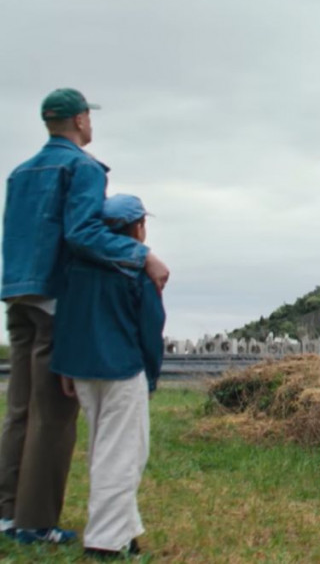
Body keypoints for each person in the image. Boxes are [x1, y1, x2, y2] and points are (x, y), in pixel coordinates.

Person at [0, 88, 170, 546]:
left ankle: (7, 510)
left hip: (17, 295)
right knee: (53, 416)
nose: (90, 125)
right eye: (88, 119)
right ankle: (34, 522)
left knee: (19, 408)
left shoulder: (19, 172)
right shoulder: (84, 168)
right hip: (58, 296)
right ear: (79, 121)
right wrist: (140, 254)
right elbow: (82, 233)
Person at [50, 193, 165, 559]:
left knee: (105, 448)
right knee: (124, 454)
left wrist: (65, 365)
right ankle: (104, 542)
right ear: (137, 227)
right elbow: (151, 328)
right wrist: (150, 377)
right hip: (122, 368)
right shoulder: (136, 270)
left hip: (83, 369)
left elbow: (64, 319)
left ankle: (126, 532)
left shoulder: (75, 267)